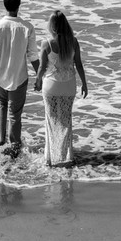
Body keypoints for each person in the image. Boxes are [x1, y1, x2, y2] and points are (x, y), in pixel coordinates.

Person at [0, 0, 39, 154]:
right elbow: (33, 55)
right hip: (19, 76)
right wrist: (39, 75)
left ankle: (1, 141)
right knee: (15, 113)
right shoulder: (27, 27)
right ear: (19, 5)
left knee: (1, 105)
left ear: (5, 6)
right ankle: (14, 146)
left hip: (0, 75)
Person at [33, 10, 88, 167]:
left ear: (52, 26)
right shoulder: (74, 42)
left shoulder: (47, 43)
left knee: (51, 121)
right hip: (69, 85)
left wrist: (37, 81)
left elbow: (42, 67)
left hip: (51, 85)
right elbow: (79, 64)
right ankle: (66, 157)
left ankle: (51, 159)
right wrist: (84, 83)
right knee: (66, 121)